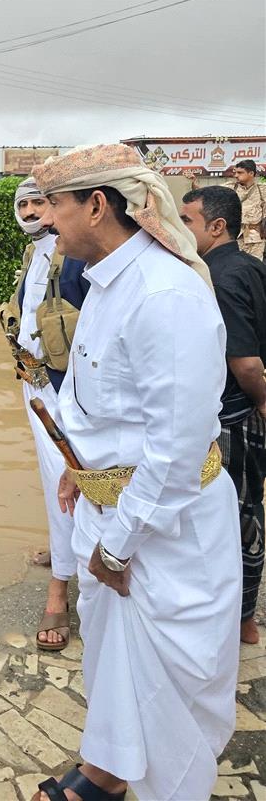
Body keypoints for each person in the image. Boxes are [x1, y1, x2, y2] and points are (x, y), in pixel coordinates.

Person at [28, 145, 240, 801]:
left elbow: (176, 452)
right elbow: (108, 405)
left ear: (97, 204)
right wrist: (81, 468)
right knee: (116, 669)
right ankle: (107, 772)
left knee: (168, 692)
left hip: (164, 532)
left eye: (54, 205)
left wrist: (118, 545)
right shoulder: (107, 281)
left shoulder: (164, 293)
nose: (44, 220)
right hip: (115, 514)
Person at [0, 178, 89, 650]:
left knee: (69, 480)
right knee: (56, 478)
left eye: (42, 202)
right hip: (34, 384)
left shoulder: (76, 253)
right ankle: (64, 550)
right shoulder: (35, 252)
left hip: (64, 389)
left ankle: (60, 590)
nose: (33, 211)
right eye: (26, 204)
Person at [181, 185, 266, 645]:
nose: (180, 228)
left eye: (187, 221)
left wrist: (262, 401)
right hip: (243, 411)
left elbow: (245, 362)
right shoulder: (252, 266)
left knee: (238, 514)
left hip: (235, 416)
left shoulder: (216, 278)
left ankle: (241, 619)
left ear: (217, 227)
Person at [232, 159, 265, 260]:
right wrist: (194, 183)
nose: (236, 175)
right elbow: (208, 195)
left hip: (256, 238)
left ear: (251, 173)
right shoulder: (231, 188)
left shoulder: (262, 189)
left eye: (240, 172)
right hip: (236, 237)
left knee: (255, 266)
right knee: (237, 265)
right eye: (235, 172)